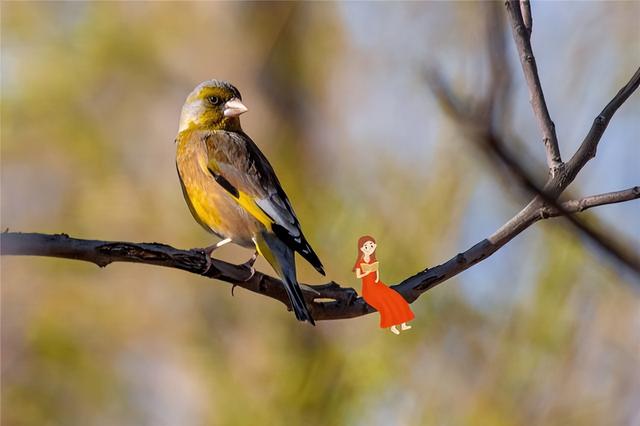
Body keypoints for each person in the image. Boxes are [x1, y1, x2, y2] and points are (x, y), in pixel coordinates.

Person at [353, 236, 414, 335]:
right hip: (368, 289)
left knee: (396, 297)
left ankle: (403, 323)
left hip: (378, 286)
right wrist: (367, 272)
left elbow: (376, 275)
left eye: (371, 245)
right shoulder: (360, 262)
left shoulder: (373, 260)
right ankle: (392, 325)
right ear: (362, 248)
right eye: (366, 246)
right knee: (385, 303)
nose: (369, 248)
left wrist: (376, 278)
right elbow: (359, 275)